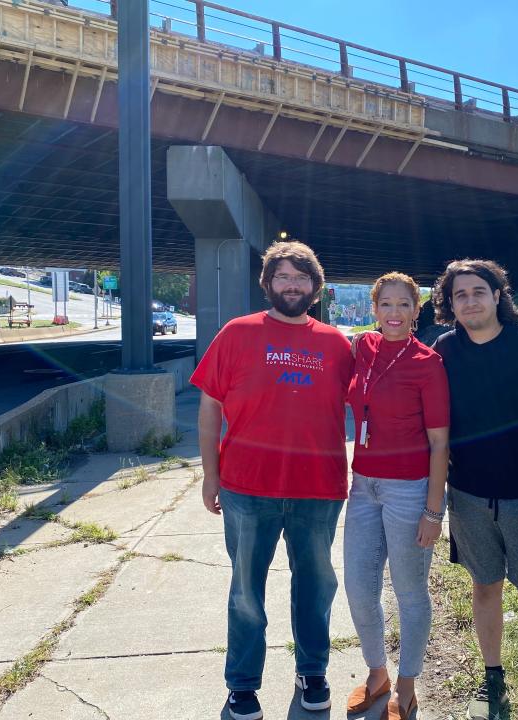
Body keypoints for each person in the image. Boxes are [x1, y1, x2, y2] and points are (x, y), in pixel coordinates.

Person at [191, 241, 353, 720]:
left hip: (318, 488)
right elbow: (209, 409)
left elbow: (373, 403)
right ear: (268, 283)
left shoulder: (337, 343)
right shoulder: (237, 334)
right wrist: (209, 475)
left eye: (302, 278)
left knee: (316, 587)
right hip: (246, 487)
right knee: (246, 592)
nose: (292, 285)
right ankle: (242, 684)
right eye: (283, 276)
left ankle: (313, 671)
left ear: (315, 287)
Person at [431, 259, 518, 720]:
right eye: (460, 294)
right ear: (449, 304)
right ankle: (492, 678)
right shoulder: (445, 350)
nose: (469, 300)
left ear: (498, 295)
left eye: (478, 291)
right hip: (469, 497)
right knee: (485, 587)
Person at [343, 273, 449, 720]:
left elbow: (440, 444)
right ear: (374, 309)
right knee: (358, 587)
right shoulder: (360, 348)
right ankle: (377, 673)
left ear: (416, 310)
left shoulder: (428, 363)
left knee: (409, 591)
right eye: (385, 304)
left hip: (409, 491)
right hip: (363, 486)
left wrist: (432, 510)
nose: (393, 313)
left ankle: (406, 685)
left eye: (403, 304)